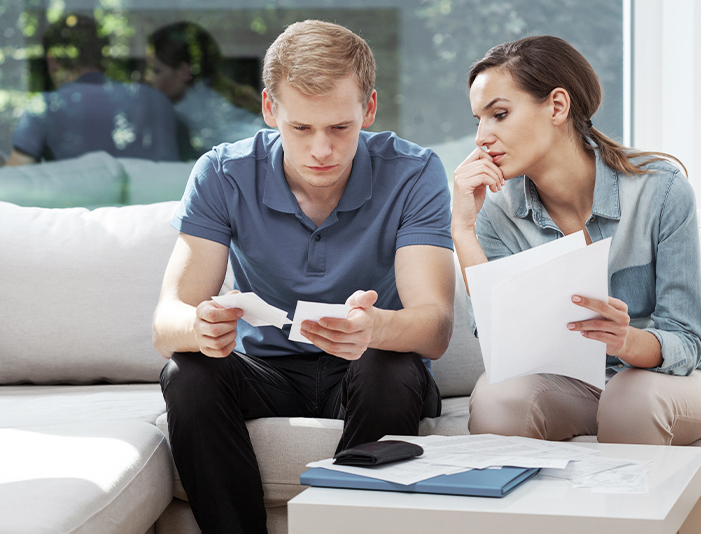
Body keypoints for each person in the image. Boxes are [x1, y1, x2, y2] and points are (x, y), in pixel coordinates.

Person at [153, 20, 454, 534]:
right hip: (265, 373)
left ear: (370, 109)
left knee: (391, 365)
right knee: (188, 371)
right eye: (301, 128)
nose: (322, 151)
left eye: (340, 128)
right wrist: (200, 326)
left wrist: (375, 327)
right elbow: (166, 323)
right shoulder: (223, 173)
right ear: (271, 110)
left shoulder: (415, 172)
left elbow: (435, 328)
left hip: (368, 370)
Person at [451, 35, 701, 446]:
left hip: (678, 379)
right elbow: (499, 344)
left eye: (498, 114)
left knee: (630, 396)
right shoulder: (495, 210)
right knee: (498, 397)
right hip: (579, 387)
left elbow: (687, 339)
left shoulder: (660, 189)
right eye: (478, 120)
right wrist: (462, 229)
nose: (482, 137)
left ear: (557, 105)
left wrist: (627, 340)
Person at [8, 14, 180, 166]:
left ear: (52, 61)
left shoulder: (45, 107)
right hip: (155, 202)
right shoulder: (155, 100)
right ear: (104, 57)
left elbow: (14, 179)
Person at [148, 21, 265, 159]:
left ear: (184, 72)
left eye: (156, 71)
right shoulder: (213, 95)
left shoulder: (188, 112)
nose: (149, 78)